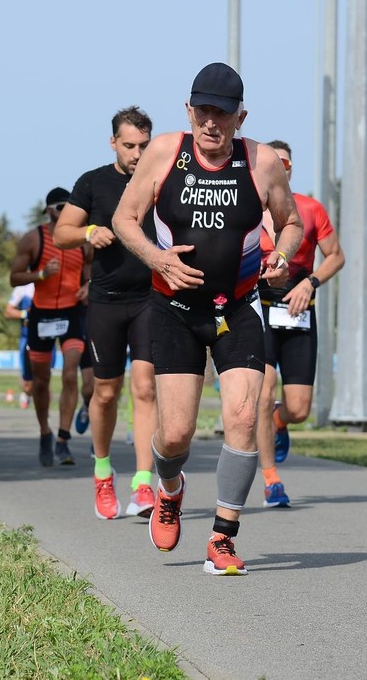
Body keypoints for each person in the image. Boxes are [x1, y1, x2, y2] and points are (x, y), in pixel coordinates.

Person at [113, 62, 302, 575]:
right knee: (175, 434)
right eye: (203, 110)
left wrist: (282, 254)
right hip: (174, 308)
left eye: (222, 113)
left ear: (241, 116)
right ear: (188, 109)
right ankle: (170, 490)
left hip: (238, 306)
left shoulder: (262, 163)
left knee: (243, 414)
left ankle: (223, 536)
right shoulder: (165, 153)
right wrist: (157, 259)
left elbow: (292, 223)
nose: (211, 122)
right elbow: (124, 219)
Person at [53, 105, 159, 520]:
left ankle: (144, 484)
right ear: (113, 143)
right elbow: (62, 232)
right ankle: (102, 473)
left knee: (146, 387)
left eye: (144, 145)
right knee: (106, 392)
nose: (137, 153)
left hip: (152, 297)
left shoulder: (163, 180)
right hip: (107, 302)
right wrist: (88, 231)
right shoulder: (93, 183)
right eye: (129, 145)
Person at [255, 140, 344, 508]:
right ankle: (270, 478)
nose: (280, 167)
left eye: (285, 162)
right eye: (273, 161)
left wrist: (311, 283)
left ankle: (279, 422)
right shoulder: (248, 208)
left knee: (300, 408)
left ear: (290, 168)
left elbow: (336, 256)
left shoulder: (310, 209)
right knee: (263, 391)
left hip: (298, 308)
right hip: (257, 307)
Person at [10, 188, 90, 467]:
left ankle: (63, 439)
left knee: (70, 374)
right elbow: (14, 277)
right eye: (58, 206)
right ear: (48, 210)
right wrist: (41, 274)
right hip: (41, 316)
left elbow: (91, 273)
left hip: (71, 314)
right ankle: (45, 431)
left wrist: (87, 287)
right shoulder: (33, 238)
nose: (63, 210)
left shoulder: (82, 238)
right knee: (40, 381)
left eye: (68, 205)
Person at [4, 282, 35, 409]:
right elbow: (8, 311)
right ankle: (26, 392)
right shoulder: (23, 288)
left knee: (44, 378)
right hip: (27, 338)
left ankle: (46, 420)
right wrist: (26, 314)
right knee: (28, 382)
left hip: (47, 339)